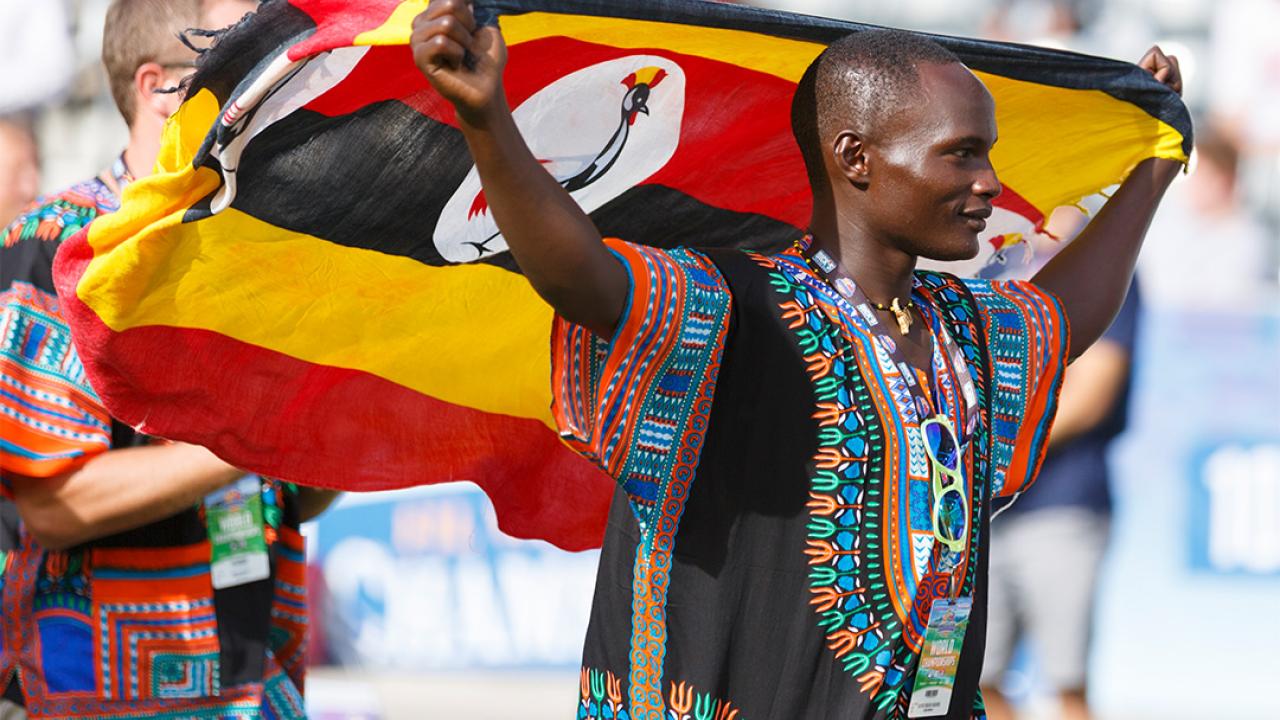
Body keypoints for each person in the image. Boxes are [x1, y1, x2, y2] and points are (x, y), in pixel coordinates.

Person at [410, 1, 1183, 717]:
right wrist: (487, 120)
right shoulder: (736, 308)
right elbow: (582, 277)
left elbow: (1065, 317)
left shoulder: (964, 329)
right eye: (961, 155)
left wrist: (1153, 163)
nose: (988, 182)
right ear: (856, 157)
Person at [0, 1, 331, 718]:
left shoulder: (264, 252)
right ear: (158, 88)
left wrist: (343, 421)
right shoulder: (63, 244)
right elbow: (55, 503)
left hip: (257, 681)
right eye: (249, 63)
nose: (278, 85)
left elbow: (289, 496)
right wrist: (259, 434)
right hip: (100, 693)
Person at [979, 284, 1140, 720]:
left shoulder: (1100, 260)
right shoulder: (986, 257)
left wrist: (995, 451)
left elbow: (1092, 393)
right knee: (977, 678)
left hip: (1060, 505)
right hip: (981, 513)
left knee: (1066, 683)